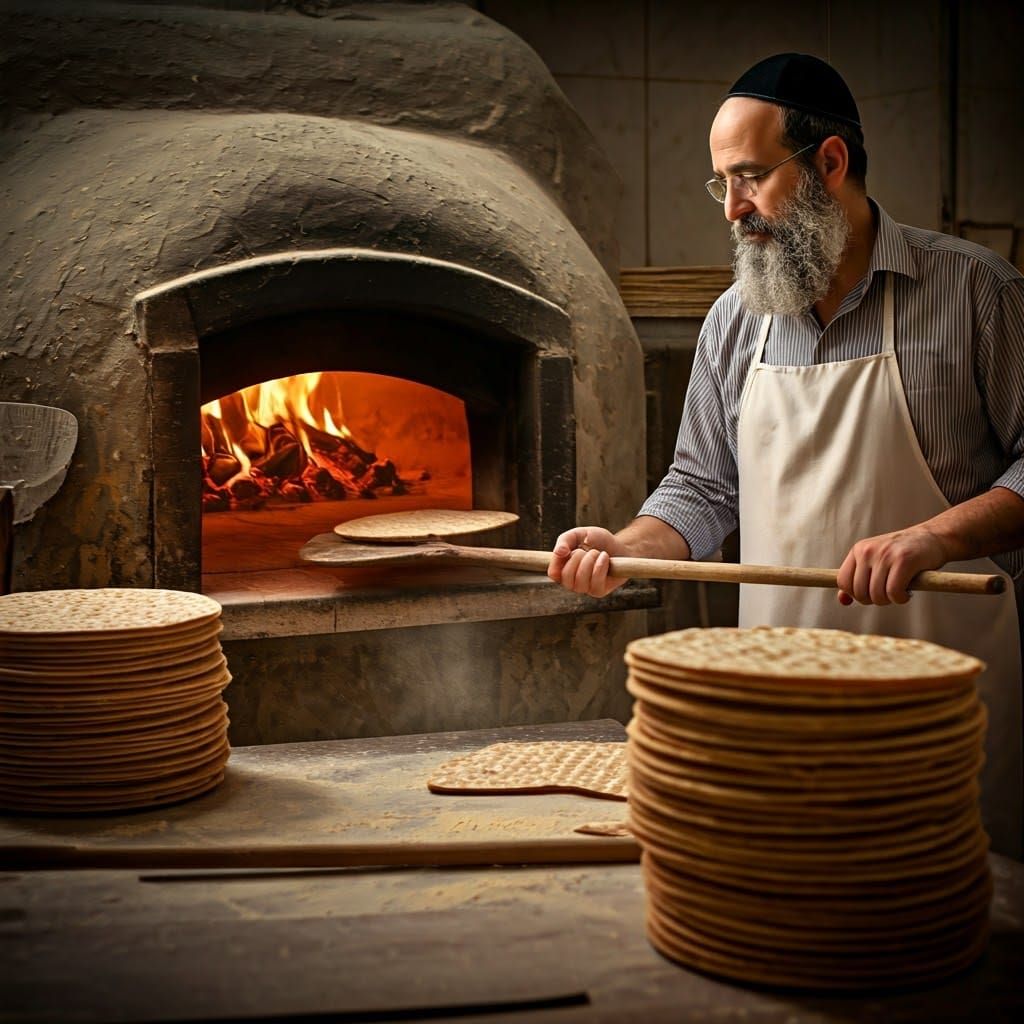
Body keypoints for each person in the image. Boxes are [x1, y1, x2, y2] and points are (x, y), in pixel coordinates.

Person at [547, 53, 1024, 858]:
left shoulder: (976, 291)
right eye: (722, 185)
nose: (733, 209)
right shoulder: (736, 320)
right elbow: (702, 488)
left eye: (750, 178)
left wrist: (934, 537)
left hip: (946, 713)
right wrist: (623, 548)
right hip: (784, 708)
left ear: (829, 162)